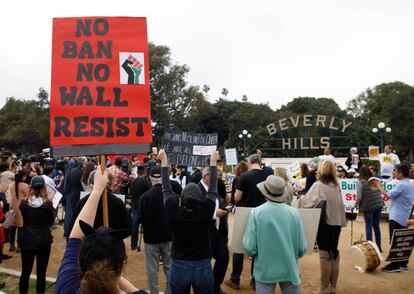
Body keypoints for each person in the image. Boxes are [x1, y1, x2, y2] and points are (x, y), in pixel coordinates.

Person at [54, 167, 145, 294]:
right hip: (111, 249)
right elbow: (127, 227)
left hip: (91, 245)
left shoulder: (67, 287)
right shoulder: (117, 202)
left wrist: (96, 191)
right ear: (121, 266)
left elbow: (74, 237)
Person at [158, 149, 219, 293]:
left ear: (182, 200)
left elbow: (166, 188)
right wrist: (213, 162)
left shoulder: (174, 212)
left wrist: (164, 162)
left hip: (179, 266)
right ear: (200, 200)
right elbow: (212, 190)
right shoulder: (206, 211)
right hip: (202, 264)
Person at [243, 175, 307, 294]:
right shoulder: (294, 213)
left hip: (264, 269)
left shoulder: (256, 213)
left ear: (264, 192)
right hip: (290, 268)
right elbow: (302, 248)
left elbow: (249, 247)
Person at [296, 160, 346, 294]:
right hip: (337, 223)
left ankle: (324, 288)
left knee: (324, 254)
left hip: (324, 223)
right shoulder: (336, 186)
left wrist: (299, 195)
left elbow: (306, 201)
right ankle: (333, 287)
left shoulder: (318, 185)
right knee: (333, 253)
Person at [227, 154, 267, 290]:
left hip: (245, 213)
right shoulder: (267, 176)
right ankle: (256, 280)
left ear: (250, 163)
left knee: (239, 246)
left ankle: (235, 279)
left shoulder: (244, 177)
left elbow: (237, 197)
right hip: (263, 213)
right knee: (259, 248)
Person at [19, 176, 55, 294]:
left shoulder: (24, 203)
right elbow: (51, 221)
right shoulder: (47, 204)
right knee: (41, 273)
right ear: (44, 187)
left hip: (27, 239)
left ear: (31, 187)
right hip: (43, 240)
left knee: (25, 271)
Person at [139, 166, 172, 294]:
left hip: (151, 237)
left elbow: (141, 218)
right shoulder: (170, 196)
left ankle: (154, 292)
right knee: (169, 267)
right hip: (168, 236)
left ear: (150, 178)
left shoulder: (144, 197)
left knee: (152, 270)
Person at [198, 168, 229, 294]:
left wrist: (222, 208)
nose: (217, 179)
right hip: (201, 229)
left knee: (224, 256)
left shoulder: (212, 188)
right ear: (206, 176)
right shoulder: (197, 189)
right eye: (214, 177)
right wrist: (215, 213)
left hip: (213, 227)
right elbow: (197, 210)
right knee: (206, 259)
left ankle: (215, 285)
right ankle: (207, 287)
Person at [380, 165, 414, 272]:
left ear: (400, 173)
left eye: (396, 172)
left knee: (394, 240)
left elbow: (388, 195)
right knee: (402, 240)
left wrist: (378, 186)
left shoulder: (401, 185)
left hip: (396, 216)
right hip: (404, 215)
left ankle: (395, 264)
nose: (394, 173)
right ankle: (403, 262)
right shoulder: (409, 184)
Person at [355, 166, 384, 252]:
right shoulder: (374, 180)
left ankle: (370, 248)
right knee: (376, 226)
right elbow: (379, 191)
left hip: (368, 206)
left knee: (369, 226)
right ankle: (379, 247)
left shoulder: (360, 182)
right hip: (378, 204)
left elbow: (359, 197)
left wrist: (355, 205)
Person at [130, 165, 151, 251]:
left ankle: (133, 244)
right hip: (144, 207)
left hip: (135, 206)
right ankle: (148, 244)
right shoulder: (146, 182)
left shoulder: (133, 181)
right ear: (145, 172)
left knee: (134, 226)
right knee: (147, 225)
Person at [9, 169, 29, 252]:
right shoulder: (25, 185)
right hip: (21, 208)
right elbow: (28, 197)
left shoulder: (11, 184)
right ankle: (19, 246)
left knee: (12, 227)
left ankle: (11, 245)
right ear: (23, 176)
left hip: (12, 207)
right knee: (21, 227)